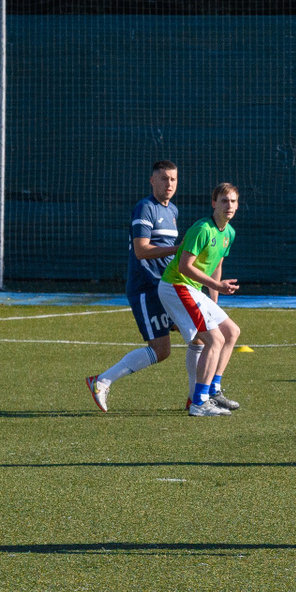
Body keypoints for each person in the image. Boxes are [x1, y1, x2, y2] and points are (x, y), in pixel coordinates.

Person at [87, 161, 184, 412]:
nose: (169, 184)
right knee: (161, 350)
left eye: (173, 179)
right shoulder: (145, 207)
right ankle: (102, 381)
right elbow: (141, 250)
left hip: (166, 287)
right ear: (152, 181)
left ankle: (201, 396)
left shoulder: (173, 210)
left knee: (200, 334)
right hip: (146, 288)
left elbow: (169, 254)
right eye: (163, 178)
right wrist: (178, 249)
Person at [159, 182, 244, 416]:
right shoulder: (202, 229)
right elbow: (185, 267)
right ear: (214, 203)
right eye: (224, 201)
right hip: (176, 285)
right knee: (214, 339)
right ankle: (198, 403)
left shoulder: (229, 233)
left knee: (231, 331)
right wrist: (216, 286)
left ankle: (213, 390)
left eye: (233, 201)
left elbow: (217, 265)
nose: (229, 206)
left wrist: (213, 301)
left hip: (194, 289)